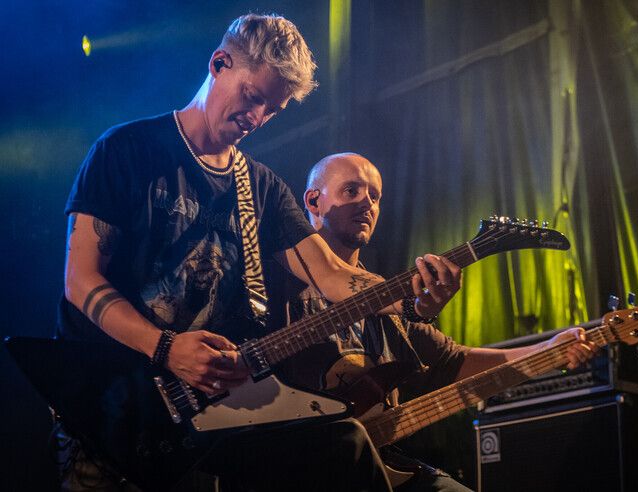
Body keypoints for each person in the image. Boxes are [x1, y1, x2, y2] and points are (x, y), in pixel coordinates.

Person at [57, 14, 461, 492]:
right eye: (253, 96)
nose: (257, 118)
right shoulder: (127, 150)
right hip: (114, 402)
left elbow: (331, 277)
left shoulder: (262, 189)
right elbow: (81, 281)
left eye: (273, 109)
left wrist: (412, 296)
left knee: (341, 445)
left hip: (205, 413)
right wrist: (165, 347)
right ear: (220, 63)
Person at [264, 152, 599, 492]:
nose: (367, 202)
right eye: (351, 190)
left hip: (374, 468)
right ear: (313, 200)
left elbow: (454, 362)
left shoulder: (387, 300)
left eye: (375, 195)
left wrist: (549, 350)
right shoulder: (273, 280)